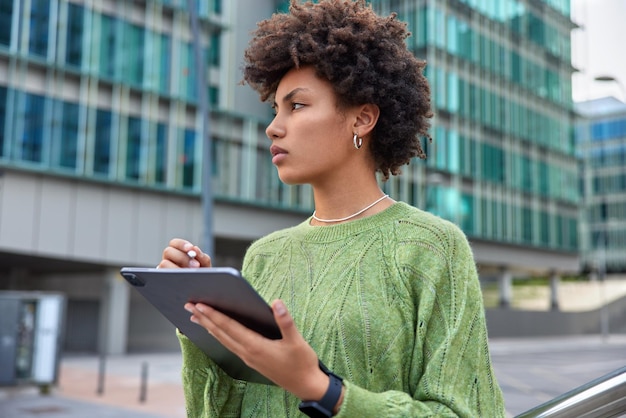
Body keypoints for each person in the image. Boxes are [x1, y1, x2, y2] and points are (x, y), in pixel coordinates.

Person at [158, 0, 506, 416]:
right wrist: (198, 322)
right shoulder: (264, 256)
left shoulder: (431, 249)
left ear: (362, 120)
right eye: (275, 110)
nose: (273, 126)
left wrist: (322, 390)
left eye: (297, 105)